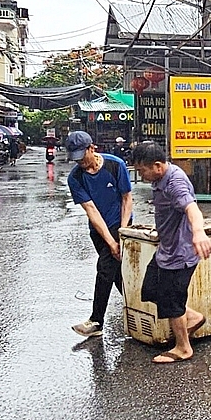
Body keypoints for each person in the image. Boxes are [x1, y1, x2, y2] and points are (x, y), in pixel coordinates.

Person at [132, 141, 211, 363]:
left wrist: (198, 233)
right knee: (151, 289)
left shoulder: (175, 182)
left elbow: (192, 209)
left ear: (157, 166)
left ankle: (183, 347)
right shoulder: (162, 177)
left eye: (142, 171)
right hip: (166, 250)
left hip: (180, 253)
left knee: (172, 301)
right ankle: (193, 317)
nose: (141, 175)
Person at [66, 131, 135, 338]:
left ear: (92, 148)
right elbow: (91, 210)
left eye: (82, 157)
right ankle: (143, 306)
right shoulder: (75, 177)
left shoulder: (115, 165)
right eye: (75, 159)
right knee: (115, 274)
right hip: (99, 229)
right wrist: (111, 242)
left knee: (105, 269)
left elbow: (127, 198)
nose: (80, 163)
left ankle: (96, 321)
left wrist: (122, 233)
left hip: (120, 221)